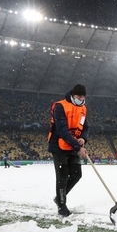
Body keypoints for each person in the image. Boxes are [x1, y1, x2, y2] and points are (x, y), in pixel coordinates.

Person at [48, 84, 89, 216]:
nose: (80, 98)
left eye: (82, 96)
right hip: (59, 145)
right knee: (63, 176)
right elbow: (62, 130)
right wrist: (78, 147)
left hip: (73, 145)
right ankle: (62, 206)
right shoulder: (60, 106)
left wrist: (83, 138)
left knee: (77, 174)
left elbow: (86, 127)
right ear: (72, 95)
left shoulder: (83, 108)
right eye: (78, 96)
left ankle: (59, 198)